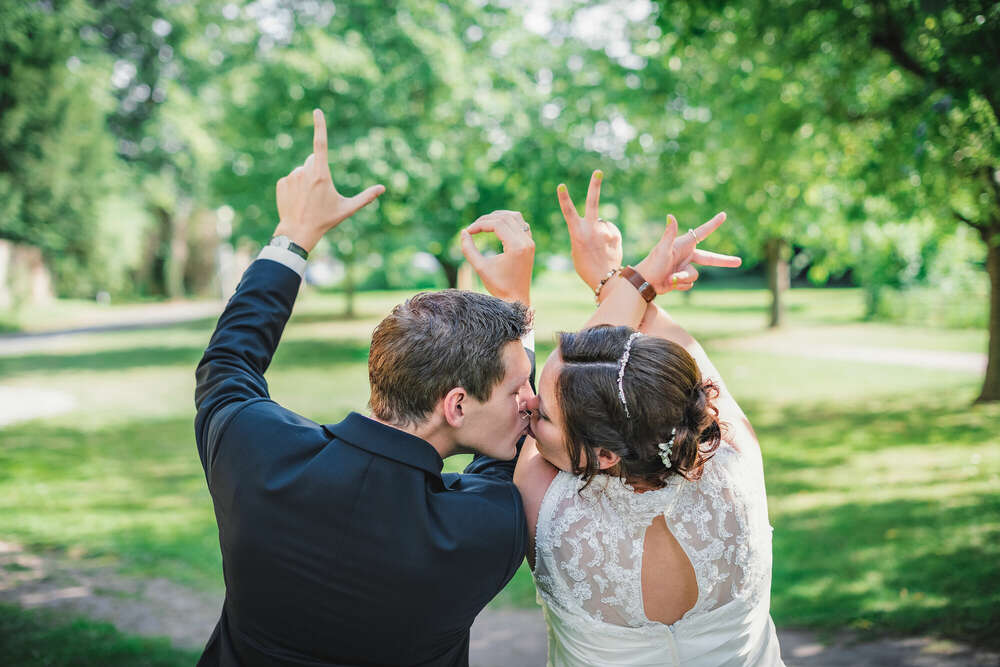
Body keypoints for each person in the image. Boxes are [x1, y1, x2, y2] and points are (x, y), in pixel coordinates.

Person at [193, 109, 541, 666]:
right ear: (454, 404)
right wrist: (519, 307)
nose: (532, 402)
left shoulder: (252, 452)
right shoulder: (482, 531)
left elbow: (228, 362)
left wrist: (295, 234)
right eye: (517, 391)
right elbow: (507, 464)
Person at [514, 173, 785, 665]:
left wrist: (631, 280)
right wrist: (615, 279)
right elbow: (650, 356)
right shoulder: (737, 457)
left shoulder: (547, 508)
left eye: (546, 417)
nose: (528, 406)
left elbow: (629, 337)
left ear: (604, 454)